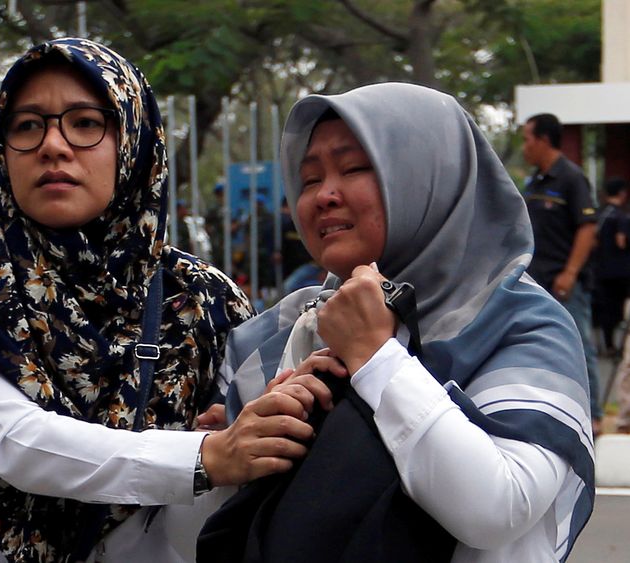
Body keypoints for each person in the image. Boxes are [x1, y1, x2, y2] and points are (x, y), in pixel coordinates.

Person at [0, 38, 318, 562]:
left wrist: (233, 440)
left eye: (84, 122)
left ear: (133, 141)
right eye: (28, 125)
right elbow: (17, 441)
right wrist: (205, 456)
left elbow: (229, 499)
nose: (53, 145)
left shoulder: (201, 299)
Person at [202, 84, 594, 562]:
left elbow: (497, 507)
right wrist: (227, 452)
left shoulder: (519, 322)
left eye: (354, 168)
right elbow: (205, 533)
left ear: (430, 177)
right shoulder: (277, 332)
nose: (324, 196)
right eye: (307, 179)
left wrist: (374, 356)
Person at [521, 112, 602, 435]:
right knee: (539, 347)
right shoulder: (534, 181)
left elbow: (587, 228)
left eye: (527, 139)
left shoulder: (571, 177)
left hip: (565, 285)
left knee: (579, 346)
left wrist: (569, 273)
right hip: (536, 283)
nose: (524, 147)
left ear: (543, 140)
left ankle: (593, 417)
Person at [592, 177, 630, 356]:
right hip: (620, 271)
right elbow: (621, 241)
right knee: (617, 309)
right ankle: (618, 346)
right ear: (622, 193)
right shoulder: (621, 216)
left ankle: (606, 345)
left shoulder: (599, 215)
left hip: (600, 269)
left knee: (605, 309)